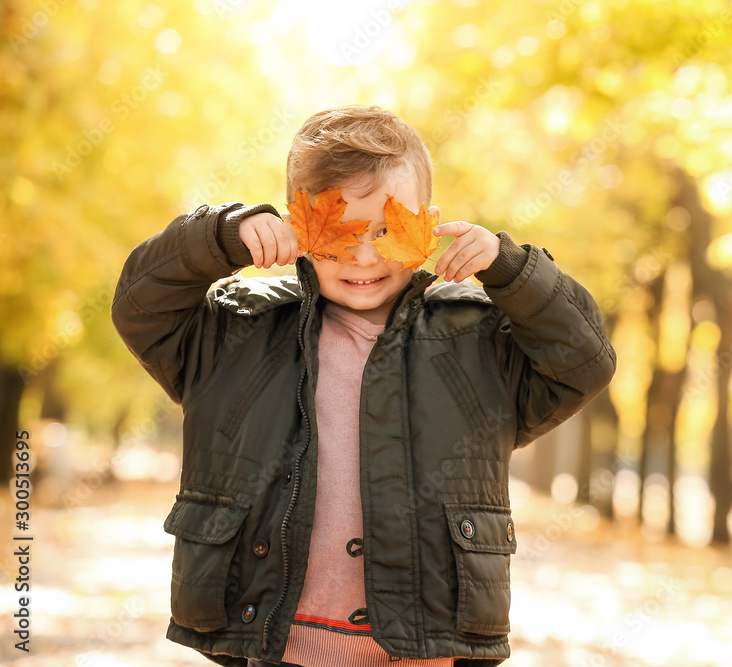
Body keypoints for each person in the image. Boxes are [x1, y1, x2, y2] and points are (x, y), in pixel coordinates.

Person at [111, 105, 616, 667]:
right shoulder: (239, 334)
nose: (363, 255)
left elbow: (584, 360)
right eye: (339, 233)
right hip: (279, 642)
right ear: (295, 225)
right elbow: (141, 306)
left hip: (423, 645)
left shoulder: (477, 341)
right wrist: (220, 236)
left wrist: (513, 271)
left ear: (427, 222)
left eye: (386, 230)